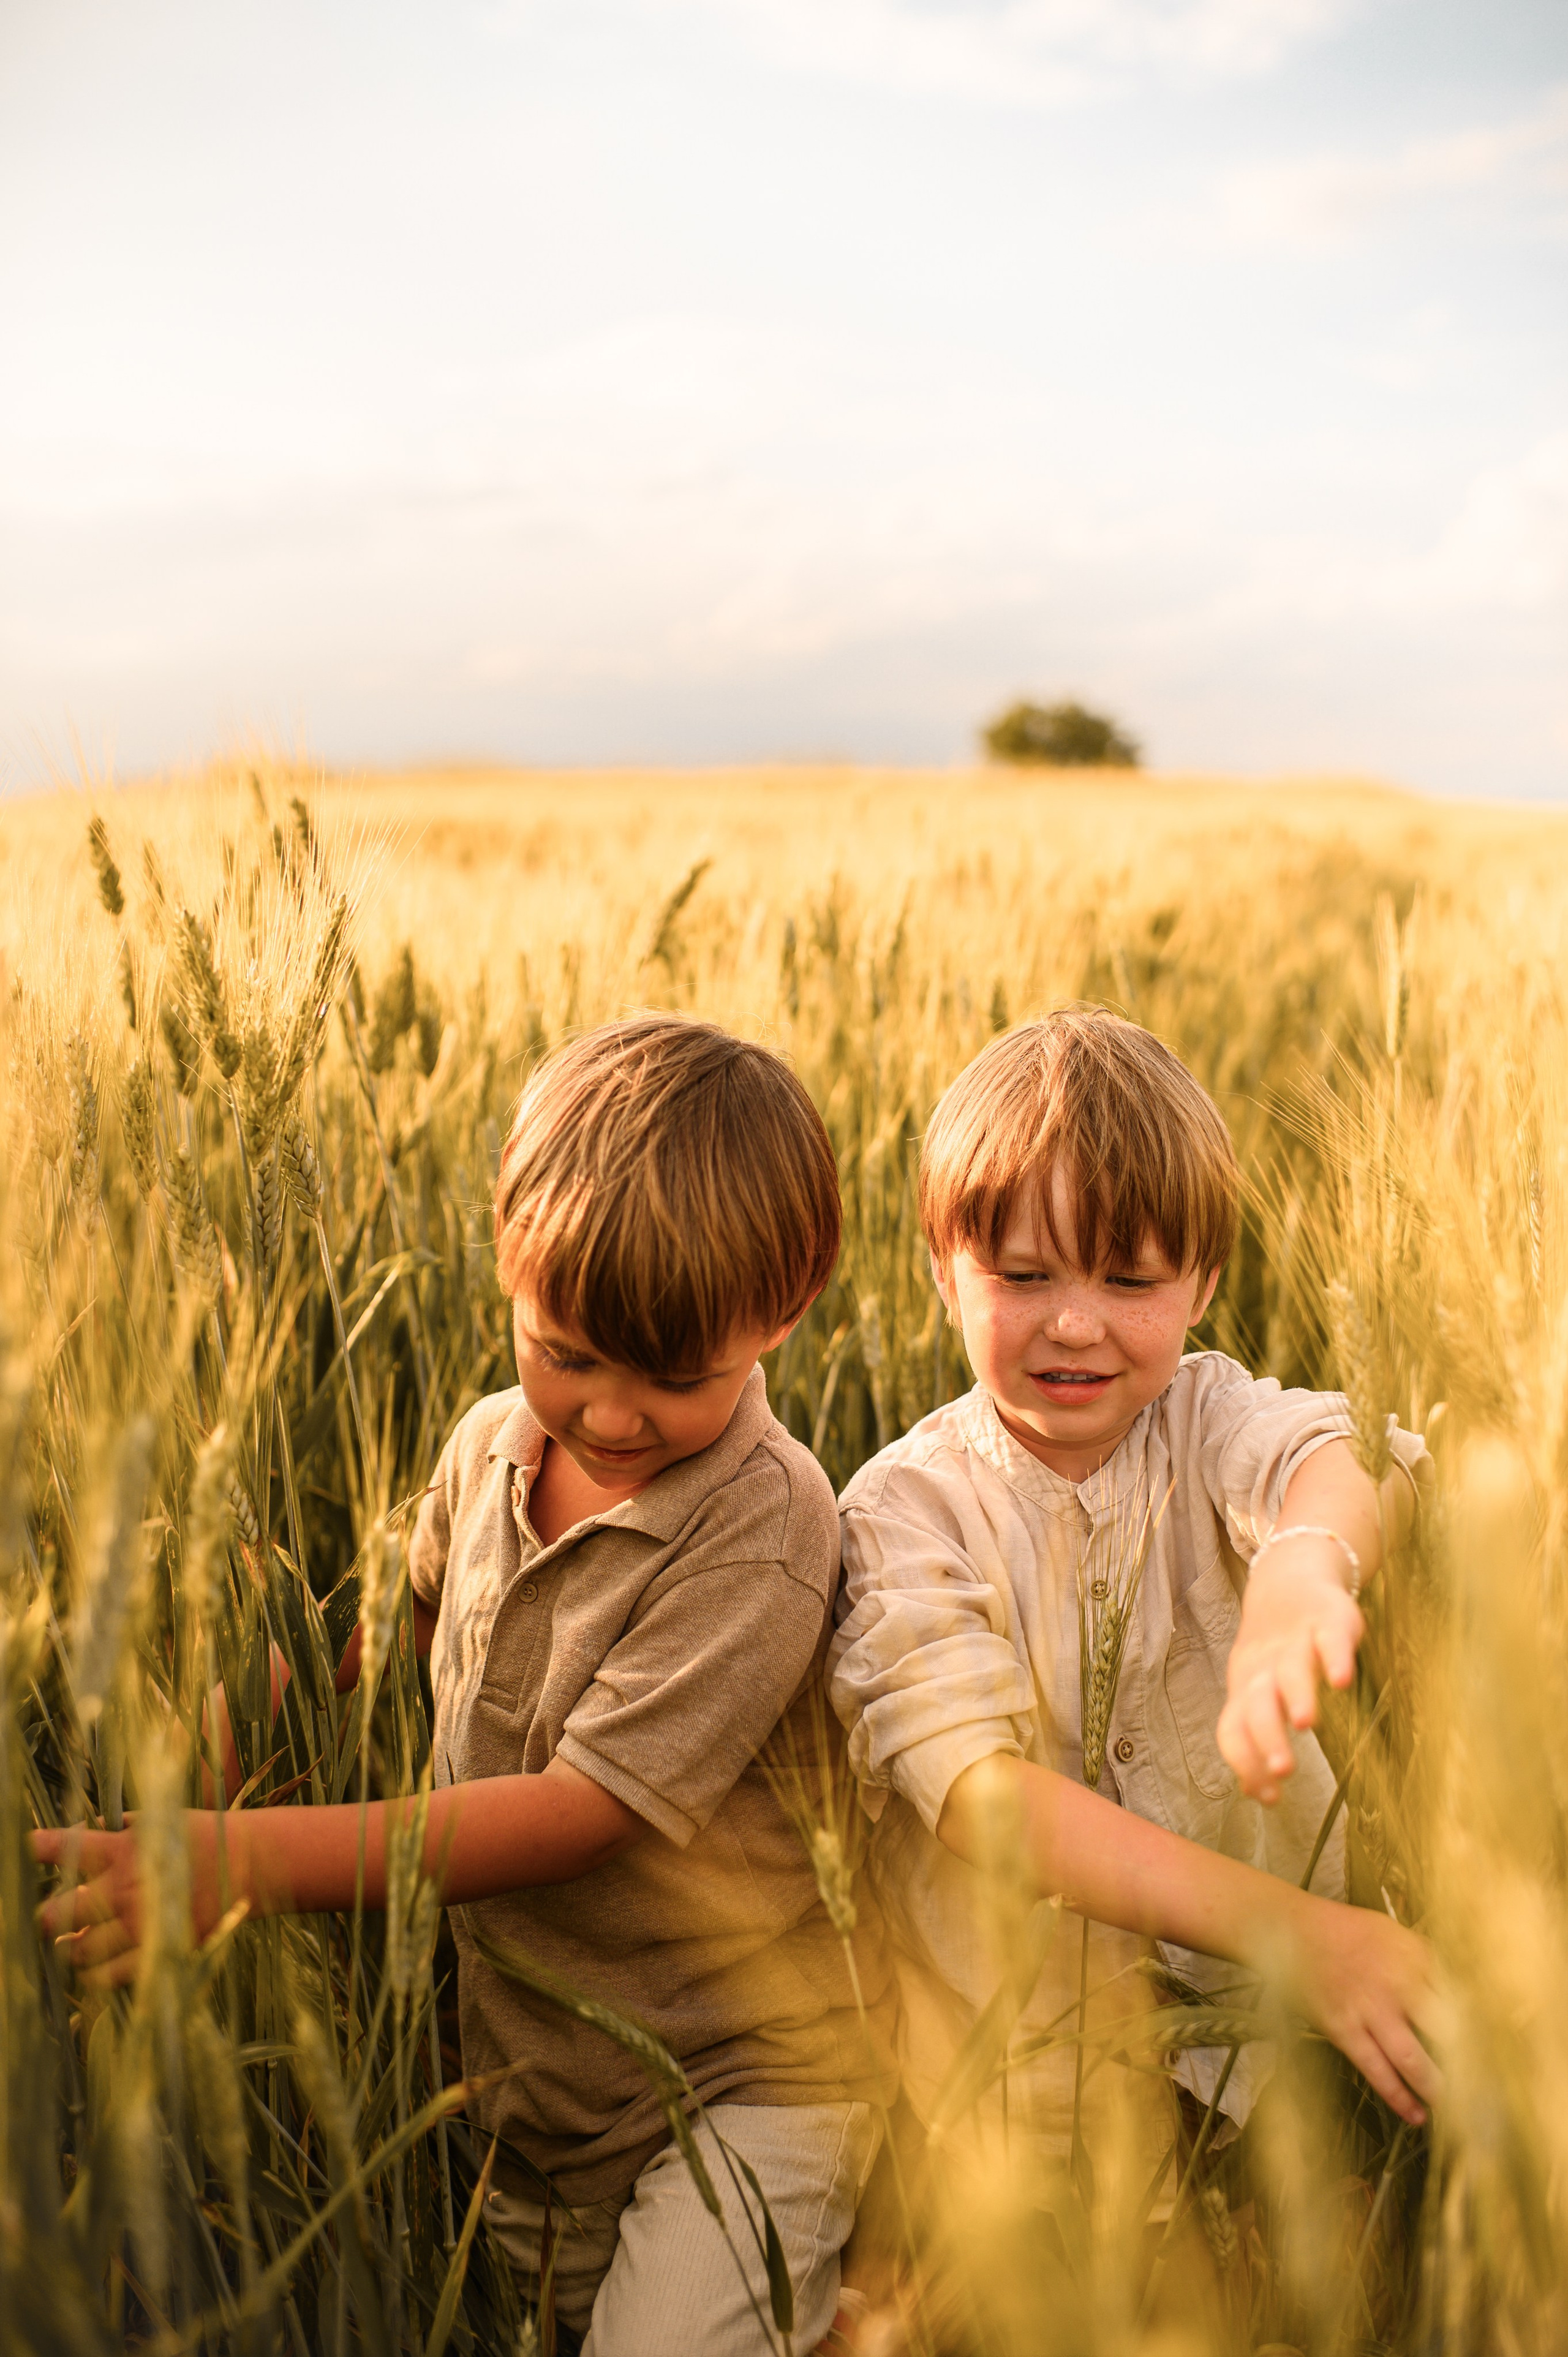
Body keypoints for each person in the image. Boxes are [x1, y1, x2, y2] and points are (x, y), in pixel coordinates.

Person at [36, 1014, 895, 2357]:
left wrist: (238, 1860)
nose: (611, 1417)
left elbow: (577, 1814)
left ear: (784, 1310)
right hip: (529, 2063)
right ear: (503, 1257)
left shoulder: (768, 1521)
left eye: (674, 1378)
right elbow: (390, 1624)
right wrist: (236, 1736)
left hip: (740, 2082)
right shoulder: (489, 1442)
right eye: (565, 1354)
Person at [827, 1006, 1440, 2182]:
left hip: (1271, 2068)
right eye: (1022, 1274)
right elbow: (982, 1801)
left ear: (1203, 1280)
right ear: (941, 1273)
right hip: (1024, 2101)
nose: (1075, 1321)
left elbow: (1350, 1454)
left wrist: (1309, 1561)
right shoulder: (904, 1511)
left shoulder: (1210, 1419)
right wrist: (1300, 1937)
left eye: (1129, 1277)